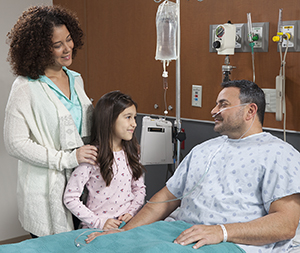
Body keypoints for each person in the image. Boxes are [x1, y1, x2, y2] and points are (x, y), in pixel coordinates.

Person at [86, 80, 300, 253]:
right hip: (178, 231)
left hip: (231, 242)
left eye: (223, 104)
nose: (214, 110)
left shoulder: (279, 154)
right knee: (98, 245)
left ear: (250, 111)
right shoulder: (204, 150)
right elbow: (166, 198)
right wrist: (126, 232)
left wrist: (221, 232)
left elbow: (285, 224)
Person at [4, 5, 98, 237]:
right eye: (58, 45)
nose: (67, 49)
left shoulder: (76, 80)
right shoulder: (26, 87)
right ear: (39, 49)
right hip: (46, 189)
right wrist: (66, 159)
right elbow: (15, 144)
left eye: (69, 39)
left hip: (81, 184)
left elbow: (82, 131)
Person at [63, 91, 146, 230]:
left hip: (125, 226)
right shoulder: (92, 156)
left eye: (135, 118)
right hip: (97, 228)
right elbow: (70, 197)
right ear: (109, 119)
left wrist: (131, 212)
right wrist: (99, 222)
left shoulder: (132, 153)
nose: (134, 124)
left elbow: (139, 189)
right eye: (128, 117)